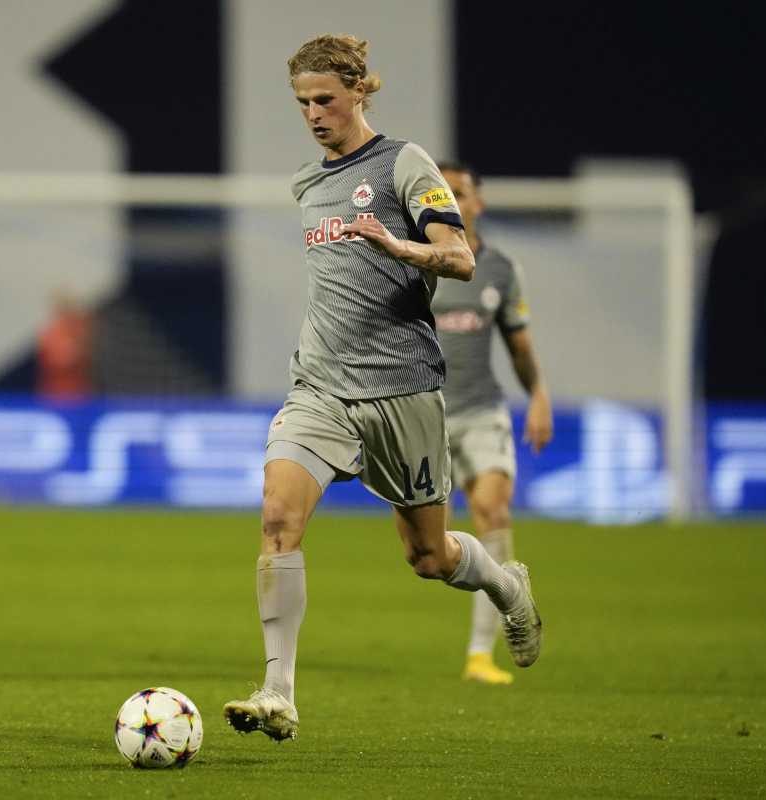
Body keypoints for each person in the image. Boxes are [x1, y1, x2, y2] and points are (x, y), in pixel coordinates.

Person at [223, 34, 542, 742]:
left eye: (325, 99)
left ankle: (505, 584)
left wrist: (404, 248)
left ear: (359, 91)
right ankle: (278, 693)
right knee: (277, 516)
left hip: (402, 389)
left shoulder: (404, 163)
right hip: (320, 385)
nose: (313, 114)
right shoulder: (308, 183)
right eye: (302, 102)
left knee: (428, 557)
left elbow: (459, 257)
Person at [432, 161, 554, 685]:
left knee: (491, 509)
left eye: (459, 193)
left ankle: (482, 654)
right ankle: (505, 590)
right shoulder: (411, 260)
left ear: (478, 202)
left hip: (482, 410)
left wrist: (539, 396)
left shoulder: (500, 269)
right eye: (441, 194)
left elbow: (519, 346)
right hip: (423, 415)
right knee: (428, 551)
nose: (452, 202)